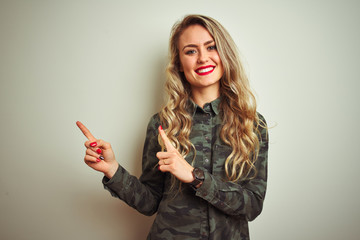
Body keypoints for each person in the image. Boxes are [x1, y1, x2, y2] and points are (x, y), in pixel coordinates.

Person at [77, 14, 268, 240]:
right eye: (191, 51)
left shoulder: (252, 124)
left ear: (224, 53)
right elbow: (150, 202)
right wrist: (112, 170)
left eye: (211, 47)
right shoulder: (162, 124)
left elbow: (252, 205)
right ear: (179, 62)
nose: (203, 58)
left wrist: (194, 176)